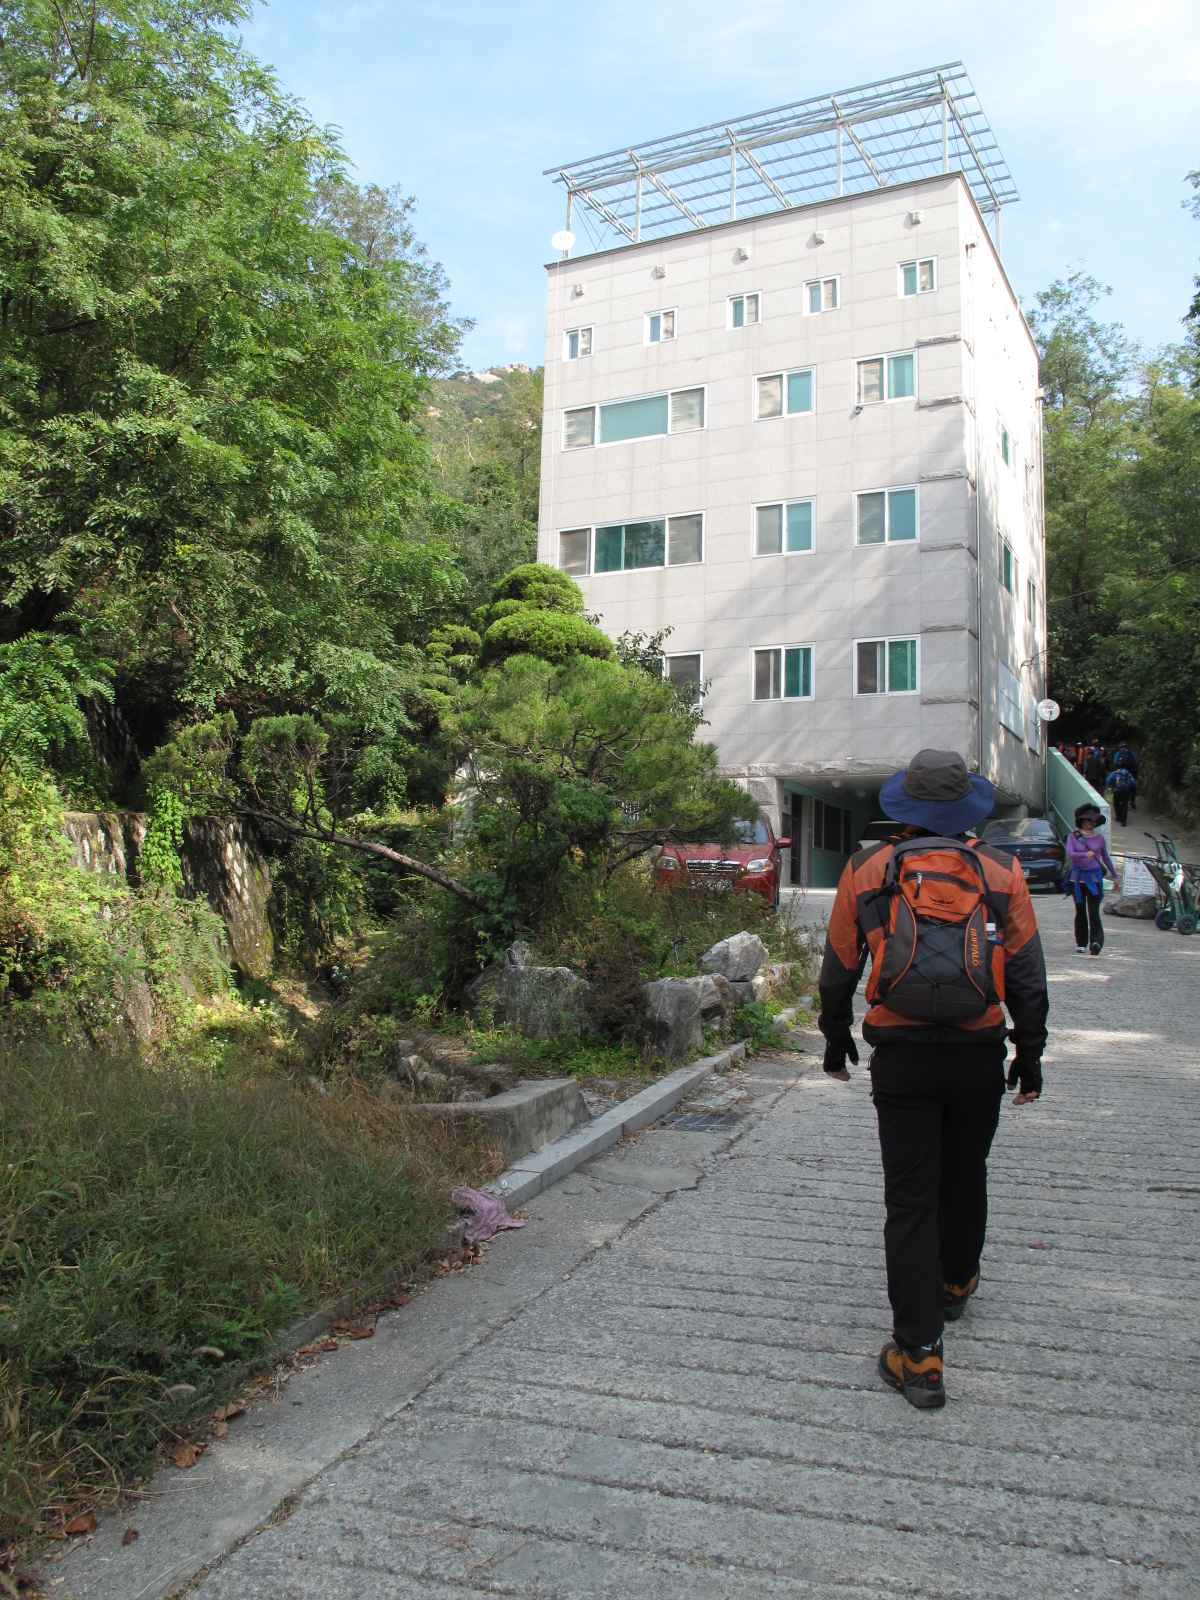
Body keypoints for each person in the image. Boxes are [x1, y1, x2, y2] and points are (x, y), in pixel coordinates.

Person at [818, 749, 1049, 1410]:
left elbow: (839, 965)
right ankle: (956, 1282)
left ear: (905, 808)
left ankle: (917, 1353)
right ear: (967, 808)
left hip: (902, 1055)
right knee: (967, 1169)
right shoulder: (1001, 871)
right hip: (978, 1049)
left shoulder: (867, 868)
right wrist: (1029, 1052)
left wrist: (836, 1039)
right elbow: (1026, 971)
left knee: (911, 1197)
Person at [1064, 804, 1116, 954]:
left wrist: (1115, 876)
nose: (1091, 823)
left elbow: (1106, 857)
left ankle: (1096, 942)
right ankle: (1081, 942)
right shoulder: (1072, 837)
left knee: (1093, 911)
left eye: (1094, 820)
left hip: (1094, 879)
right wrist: (1084, 854)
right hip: (1077, 879)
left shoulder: (1099, 839)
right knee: (1080, 911)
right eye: (1088, 820)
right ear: (1081, 821)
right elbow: (1071, 854)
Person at [1106, 762, 1136, 828]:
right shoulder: (1128, 773)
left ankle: (1118, 817)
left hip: (1116, 791)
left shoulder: (1115, 773)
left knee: (1116, 803)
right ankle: (1123, 821)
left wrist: (1110, 787)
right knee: (1124, 805)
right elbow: (1133, 782)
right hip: (1125, 791)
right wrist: (1129, 787)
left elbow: (1108, 780)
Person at [1111, 742, 1139, 810]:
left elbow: (1115, 763)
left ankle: (1124, 802)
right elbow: (1136, 763)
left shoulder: (1118, 754)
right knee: (1132, 786)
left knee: (1123, 786)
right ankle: (1132, 800)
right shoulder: (1131, 753)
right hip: (1132, 771)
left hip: (1121, 772)